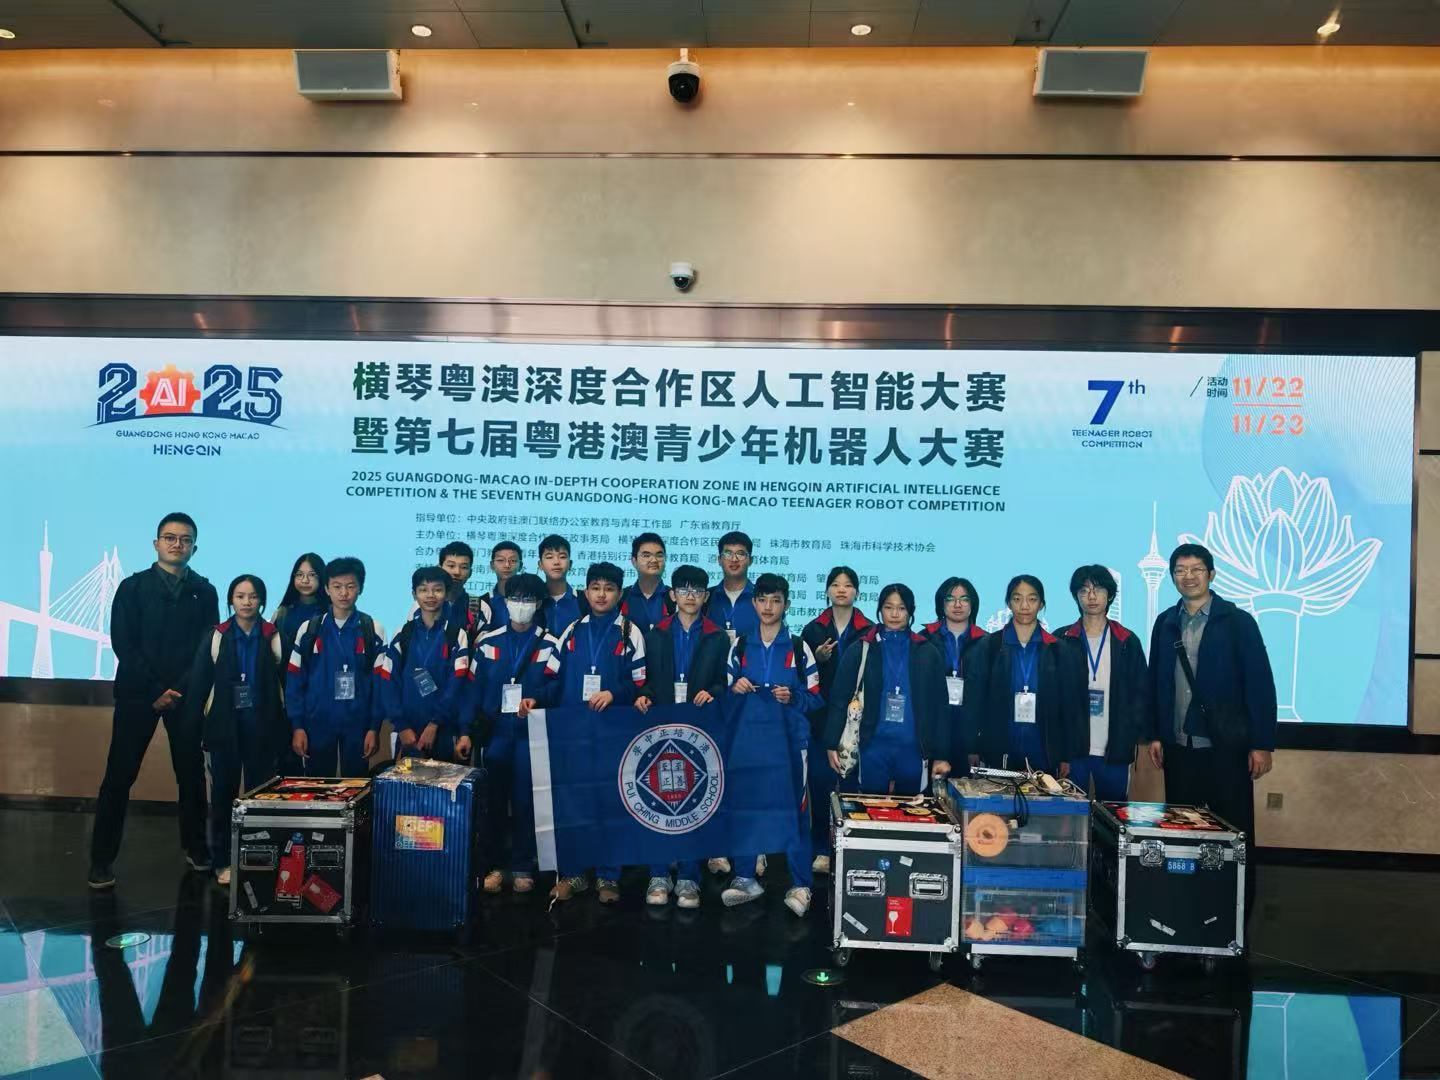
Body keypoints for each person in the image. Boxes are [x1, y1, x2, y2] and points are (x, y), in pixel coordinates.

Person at [89, 512, 220, 890]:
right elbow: (123, 643)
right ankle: (101, 860)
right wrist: (154, 691)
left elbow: (206, 646)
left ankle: (196, 848)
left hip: (185, 697)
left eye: (185, 539)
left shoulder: (205, 591)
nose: (177, 544)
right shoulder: (131, 588)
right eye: (170, 537)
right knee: (119, 776)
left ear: (195, 547)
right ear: (156, 544)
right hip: (138, 696)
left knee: (191, 775)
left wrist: (178, 689)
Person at [1146, 543, 1276, 881]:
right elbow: (1156, 681)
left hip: (1225, 746)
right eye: (1180, 571)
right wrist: (1155, 733)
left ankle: (1236, 896)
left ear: (1211, 574)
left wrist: (1262, 743)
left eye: (1196, 570)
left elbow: (1260, 683)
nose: (1188, 577)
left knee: (1232, 829)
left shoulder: (1238, 622)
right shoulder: (1165, 623)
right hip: (1179, 746)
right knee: (1182, 828)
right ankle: (1187, 894)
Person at [543, 562, 648, 903]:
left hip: (613, 734)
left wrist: (614, 694)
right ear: (586, 592)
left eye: (609, 588)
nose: (601, 595)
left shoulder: (630, 632)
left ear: (619, 594)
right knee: (573, 804)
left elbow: (640, 685)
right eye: (595, 588)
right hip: (574, 733)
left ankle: (608, 876)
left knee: (610, 803)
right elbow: (552, 679)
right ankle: (573, 874)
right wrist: (534, 699)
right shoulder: (572, 630)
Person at [720, 573, 823, 917]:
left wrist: (793, 697)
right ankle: (745, 878)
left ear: (786, 604)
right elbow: (726, 696)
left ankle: (801, 884)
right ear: (754, 603)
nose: (768, 607)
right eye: (763, 600)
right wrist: (734, 690)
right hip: (750, 743)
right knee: (747, 809)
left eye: (776, 600)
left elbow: (815, 697)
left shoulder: (798, 647)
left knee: (795, 812)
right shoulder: (739, 646)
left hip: (791, 742)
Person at [633, 564, 729, 909]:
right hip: (661, 726)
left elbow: (724, 681)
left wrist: (713, 692)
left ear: (706, 597)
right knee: (656, 800)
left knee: (694, 803)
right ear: (672, 594)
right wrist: (643, 695)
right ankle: (659, 874)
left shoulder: (717, 636)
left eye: (697, 591)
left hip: (699, 729)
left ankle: (689, 877)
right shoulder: (655, 634)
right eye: (684, 590)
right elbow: (644, 680)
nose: (690, 597)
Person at [186, 574, 288, 887]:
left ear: (262, 601)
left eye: (253, 596)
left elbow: (285, 684)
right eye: (240, 596)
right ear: (231, 600)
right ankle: (222, 861)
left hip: (262, 730)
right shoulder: (217, 636)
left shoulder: (273, 635)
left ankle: (260, 857)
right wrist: (194, 728)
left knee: (261, 798)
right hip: (224, 731)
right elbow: (199, 684)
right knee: (222, 798)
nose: (246, 602)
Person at [469, 573, 559, 896]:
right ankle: (493, 866)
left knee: (525, 804)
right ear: (505, 602)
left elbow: (556, 686)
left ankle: (522, 865)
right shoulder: (488, 642)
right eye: (515, 598)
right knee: (492, 803)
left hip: (530, 736)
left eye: (528, 599)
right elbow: (473, 689)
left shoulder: (551, 644)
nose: (521, 605)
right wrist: (468, 730)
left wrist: (539, 698)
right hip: (495, 736)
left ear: (539, 604)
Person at [824, 584, 951, 798]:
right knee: (871, 808)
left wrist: (941, 754)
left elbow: (940, 706)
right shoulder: (861, 648)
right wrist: (831, 742)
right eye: (888, 607)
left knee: (911, 810)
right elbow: (839, 698)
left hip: (913, 748)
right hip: (872, 746)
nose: (894, 614)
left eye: (901, 608)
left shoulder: (927, 652)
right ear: (879, 610)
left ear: (910, 611)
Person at [973, 575, 1086, 777]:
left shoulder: (1057, 649)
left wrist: (1065, 755)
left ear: (1041, 604)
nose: (1024, 606)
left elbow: (1069, 705)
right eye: (1017, 599)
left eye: (1032, 599)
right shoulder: (990, 645)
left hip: (1044, 750)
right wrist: (973, 746)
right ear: (1009, 603)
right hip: (999, 749)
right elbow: (976, 700)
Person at [800, 567, 873, 875]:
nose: (841, 589)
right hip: (821, 719)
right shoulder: (812, 629)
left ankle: (851, 848)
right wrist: (818, 659)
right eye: (835, 584)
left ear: (857, 591)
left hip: (857, 721)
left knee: (852, 788)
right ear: (827, 590)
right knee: (820, 785)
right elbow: (802, 676)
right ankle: (821, 848)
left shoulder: (869, 631)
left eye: (848, 585)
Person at [285, 557, 386, 778]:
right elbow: (295, 681)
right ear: (326, 589)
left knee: (357, 784)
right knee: (317, 785)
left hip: (358, 724)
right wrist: (298, 726)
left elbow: (380, 685)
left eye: (350, 586)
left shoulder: (372, 629)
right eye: (337, 586)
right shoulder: (309, 629)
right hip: (317, 723)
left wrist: (374, 728)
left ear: (360, 588)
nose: (344, 593)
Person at [1058, 565, 1150, 801]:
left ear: (1109, 595)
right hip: (1072, 750)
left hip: (1114, 748)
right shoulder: (1062, 639)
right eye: (1084, 590)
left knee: (1111, 813)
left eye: (1097, 589)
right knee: (1070, 813)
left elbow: (1141, 693)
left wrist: (1132, 734)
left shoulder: (1127, 640)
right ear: (1076, 596)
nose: (1091, 596)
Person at [378, 567, 473, 764]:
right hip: (407, 732)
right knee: (405, 782)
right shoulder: (403, 633)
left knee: (444, 783)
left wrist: (435, 724)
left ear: (446, 593)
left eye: (437, 589)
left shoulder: (456, 635)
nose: (430, 595)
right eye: (423, 590)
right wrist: (402, 726)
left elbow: (456, 686)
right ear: (414, 594)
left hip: (444, 730)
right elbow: (388, 681)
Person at [920, 577, 987, 770]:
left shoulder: (986, 642)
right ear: (941, 603)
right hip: (931, 730)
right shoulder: (924, 639)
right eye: (951, 599)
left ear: (973, 604)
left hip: (970, 733)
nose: (958, 605)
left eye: (964, 599)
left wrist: (978, 744)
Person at [705, 530, 759, 644]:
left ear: (750, 561)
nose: (734, 559)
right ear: (719, 560)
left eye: (740, 554)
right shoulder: (706, 598)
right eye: (728, 553)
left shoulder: (761, 599)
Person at [270, 552, 328, 649]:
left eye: (312, 575)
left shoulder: (330, 613)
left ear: (321, 577)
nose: (305, 580)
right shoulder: (282, 613)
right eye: (300, 574)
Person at [620, 532, 673, 631]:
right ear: (634, 561)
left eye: (659, 555)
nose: (654, 560)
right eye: (646, 555)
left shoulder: (674, 598)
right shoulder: (622, 598)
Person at [538, 533, 588, 632]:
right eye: (549, 557)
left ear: (570, 564)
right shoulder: (533, 601)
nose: (556, 562)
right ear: (540, 565)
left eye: (562, 557)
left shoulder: (583, 600)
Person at [438, 541, 490, 632]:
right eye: (451, 566)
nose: (457, 572)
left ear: (470, 573)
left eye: (464, 567)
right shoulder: (425, 603)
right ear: (439, 568)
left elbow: (484, 640)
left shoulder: (480, 607)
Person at [486, 541, 523, 629]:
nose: (507, 565)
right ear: (492, 565)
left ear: (520, 566)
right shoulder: (483, 602)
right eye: (500, 560)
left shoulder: (529, 602)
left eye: (513, 561)